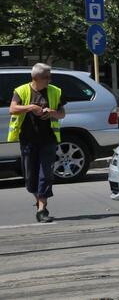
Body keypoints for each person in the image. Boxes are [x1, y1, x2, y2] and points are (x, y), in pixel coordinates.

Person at [8, 63, 66, 223]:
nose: (50, 79)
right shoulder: (21, 90)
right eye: (47, 77)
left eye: (50, 76)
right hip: (28, 141)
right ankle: (39, 200)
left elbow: (62, 114)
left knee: (45, 175)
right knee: (30, 176)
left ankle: (42, 209)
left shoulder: (55, 91)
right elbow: (12, 109)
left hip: (48, 140)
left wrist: (52, 112)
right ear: (36, 78)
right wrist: (30, 107)